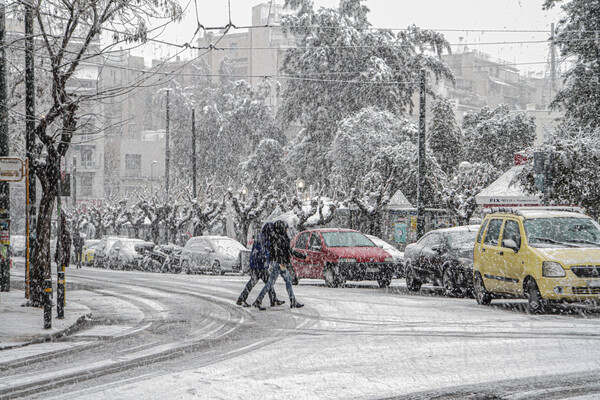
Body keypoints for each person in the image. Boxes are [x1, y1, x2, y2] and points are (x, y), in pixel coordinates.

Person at [253, 220, 306, 310]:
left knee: (277, 282)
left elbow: (278, 251)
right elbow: (288, 251)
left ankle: (259, 300)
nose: (286, 230)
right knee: (280, 282)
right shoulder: (281, 238)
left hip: (276, 262)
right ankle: (259, 300)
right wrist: (303, 256)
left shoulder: (274, 237)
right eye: (285, 228)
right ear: (281, 228)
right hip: (279, 263)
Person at [237, 223, 284, 307]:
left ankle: (242, 298)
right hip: (260, 264)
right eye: (271, 230)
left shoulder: (262, 237)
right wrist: (266, 259)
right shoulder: (263, 238)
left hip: (257, 264)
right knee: (267, 282)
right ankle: (272, 299)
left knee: (256, 282)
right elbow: (262, 252)